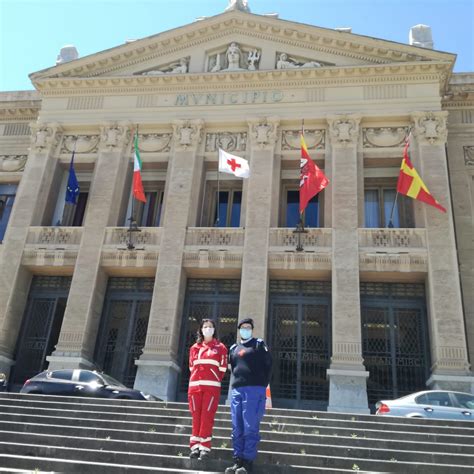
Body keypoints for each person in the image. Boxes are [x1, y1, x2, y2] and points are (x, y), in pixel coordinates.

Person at [225, 318, 272, 474]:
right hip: (237, 390)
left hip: (254, 390)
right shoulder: (233, 348)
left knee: (250, 427)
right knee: (237, 427)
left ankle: (247, 463)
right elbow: (233, 366)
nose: (246, 329)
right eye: (243, 327)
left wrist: (261, 384)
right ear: (239, 330)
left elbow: (268, 365)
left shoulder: (259, 344)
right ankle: (237, 461)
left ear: (252, 329)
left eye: (248, 327)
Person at [188, 319, 228, 461]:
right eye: (205, 326)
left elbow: (222, 370)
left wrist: (212, 377)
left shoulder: (220, 347)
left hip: (211, 388)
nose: (208, 329)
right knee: (196, 417)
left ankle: (204, 447)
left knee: (207, 417)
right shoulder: (194, 348)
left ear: (214, 329)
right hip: (194, 388)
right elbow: (192, 367)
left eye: (210, 327)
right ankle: (195, 447)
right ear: (201, 329)